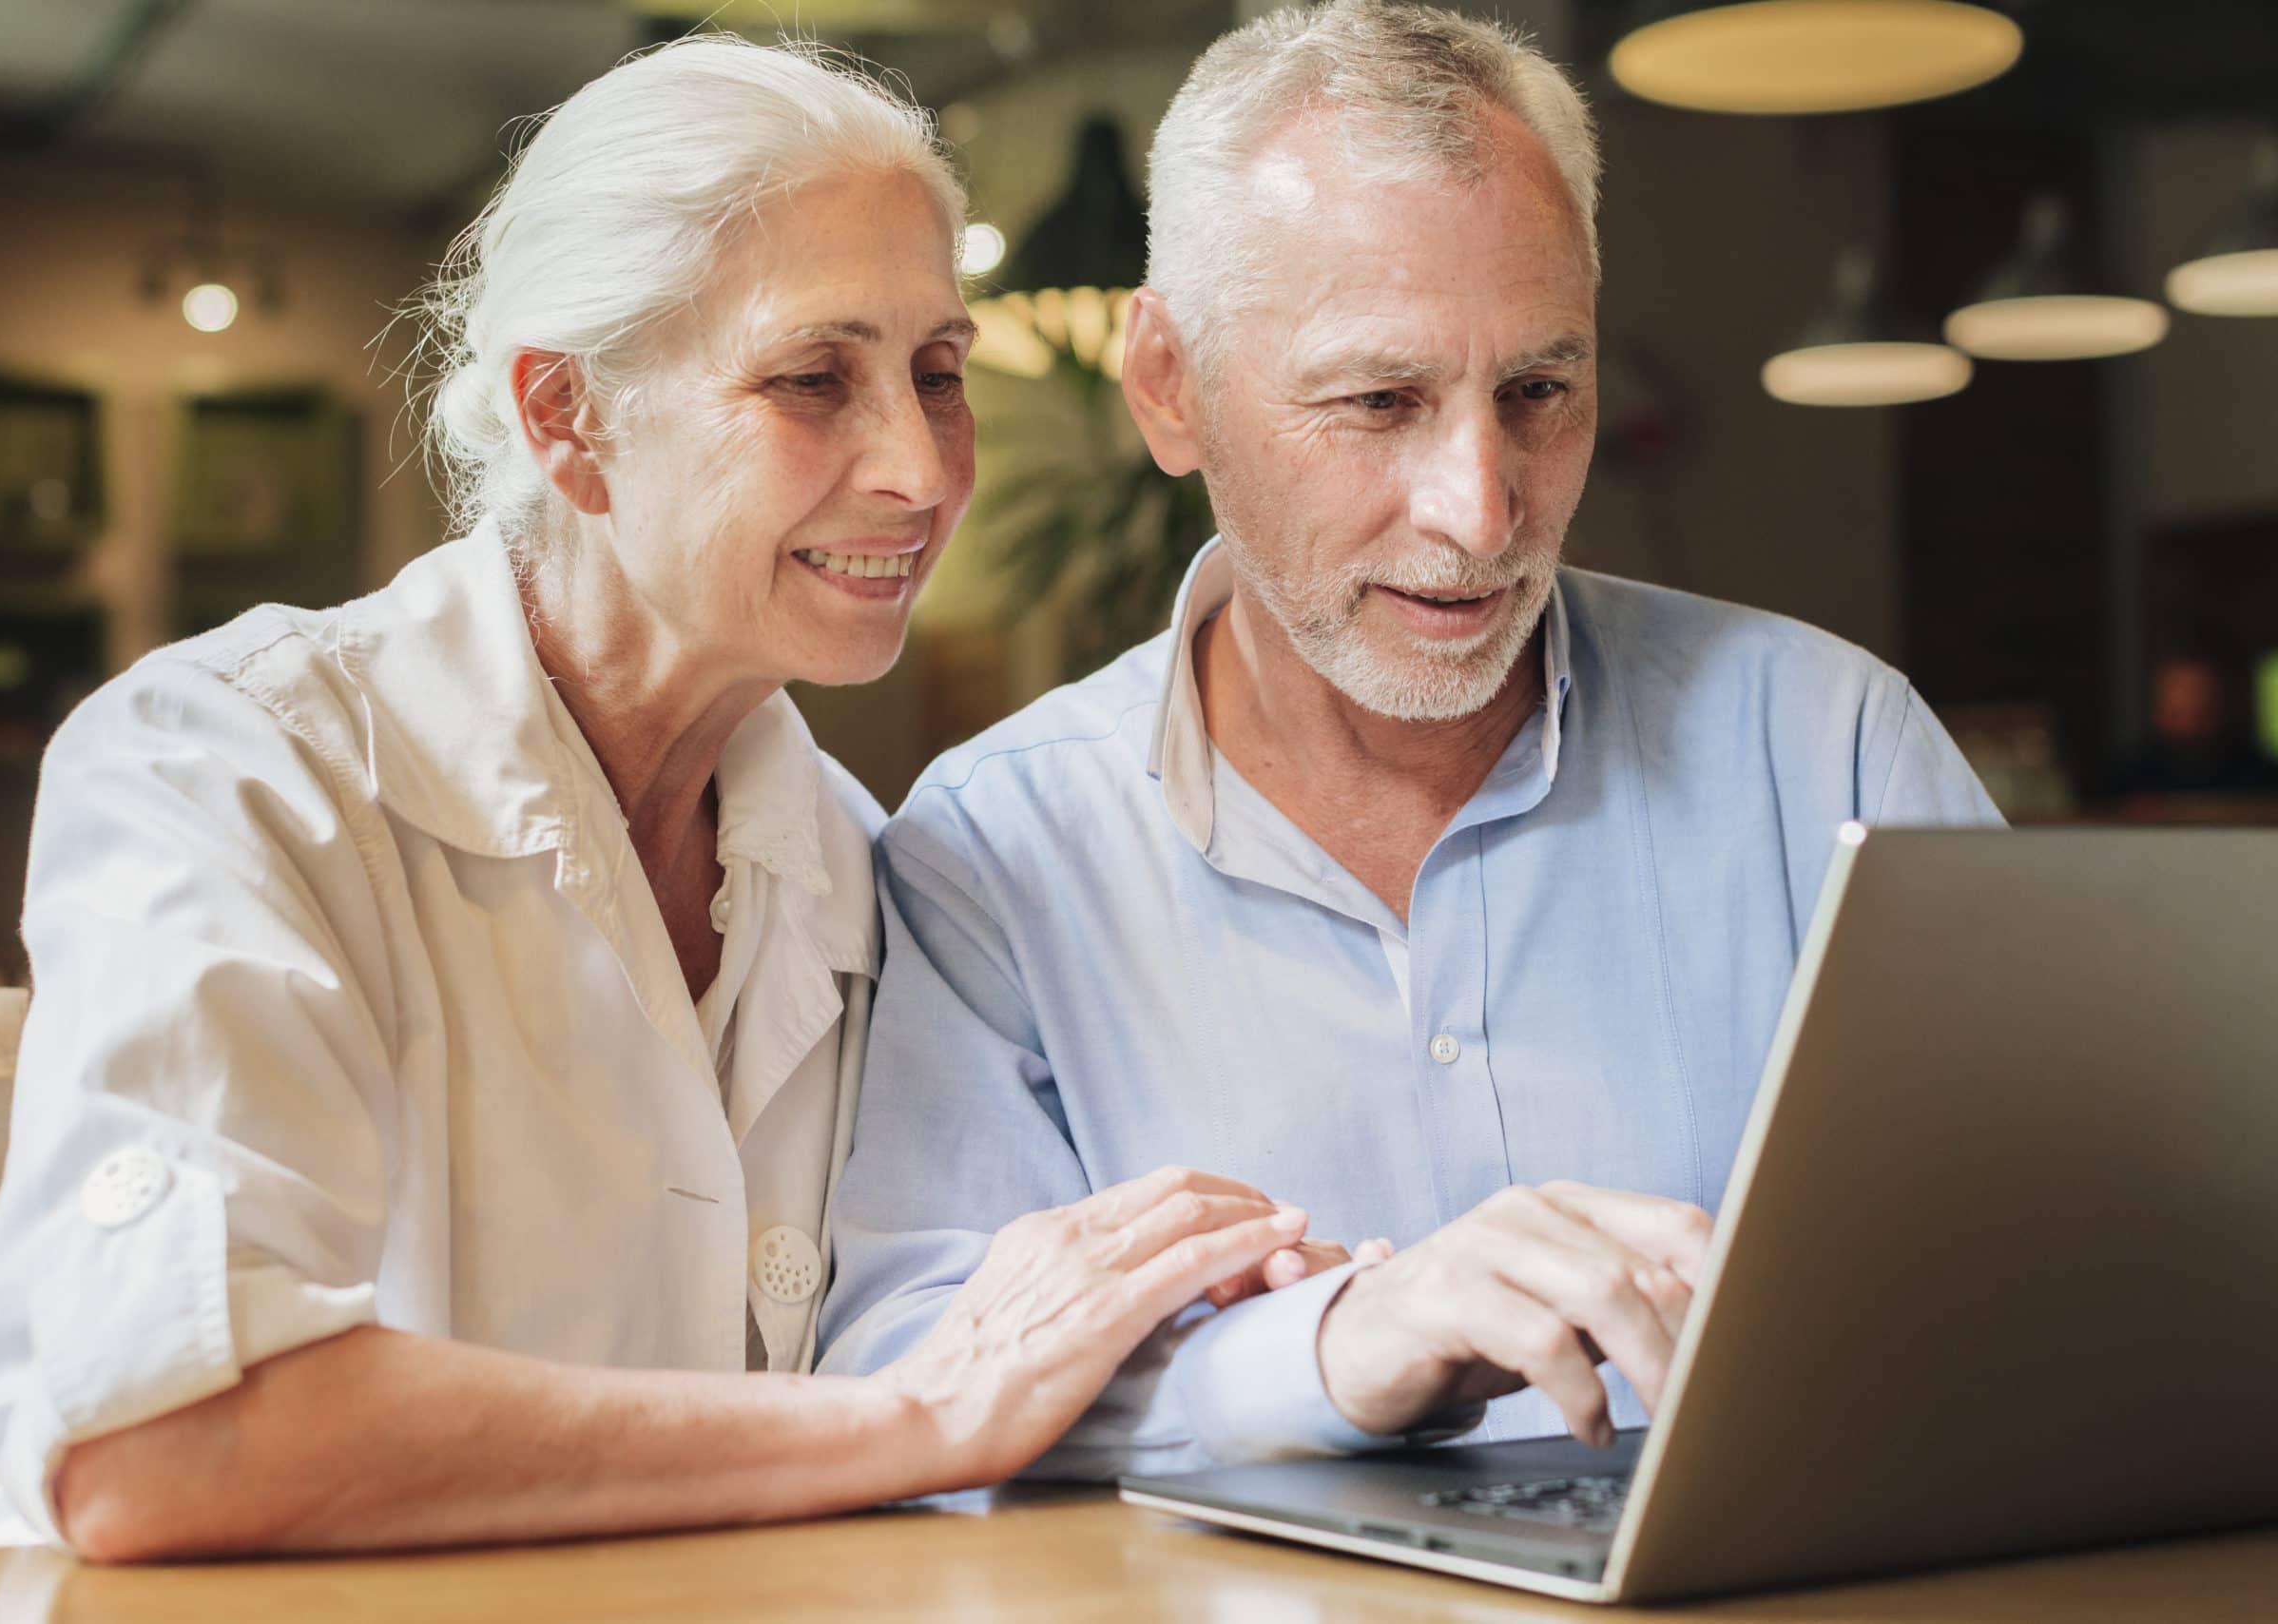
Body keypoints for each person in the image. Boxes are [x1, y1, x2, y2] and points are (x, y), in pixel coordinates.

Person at [0, 37, 1340, 1561]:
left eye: (936, 374)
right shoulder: (230, 765)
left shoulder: (865, 865)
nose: (920, 469)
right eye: (814, 379)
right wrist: (918, 1416)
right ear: (567, 419)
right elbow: (163, 1445)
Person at [819, 0, 2002, 1471]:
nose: (1483, 510)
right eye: (1380, 401)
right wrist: (1329, 1350)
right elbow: (903, 1364)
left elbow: (2083, 1248)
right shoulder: (997, 849)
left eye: (1539, 393)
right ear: (1168, 387)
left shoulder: (1830, 754)